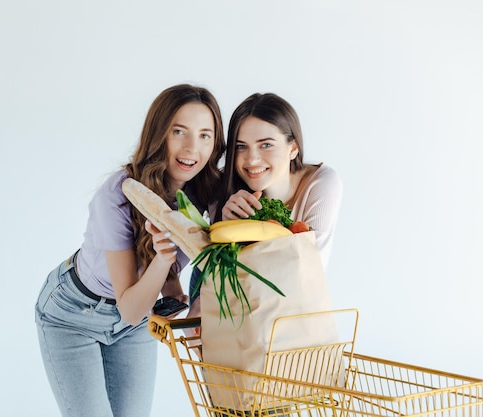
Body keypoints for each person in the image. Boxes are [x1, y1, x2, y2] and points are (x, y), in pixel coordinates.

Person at [35, 84, 225, 417]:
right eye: (178, 131)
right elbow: (131, 308)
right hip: (74, 314)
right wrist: (164, 256)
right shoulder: (118, 196)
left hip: (133, 321)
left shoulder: (205, 192)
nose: (192, 148)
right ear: (159, 134)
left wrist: (176, 291)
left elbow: (154, 294)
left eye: (205, 135)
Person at [188, 92, 343, 316]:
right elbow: (216, 276)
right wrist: (228, 227)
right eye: (241, 147)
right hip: (228, 298)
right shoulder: (224, 189)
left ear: (293, 148)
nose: (251, 159)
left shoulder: (321, 182)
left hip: (282, 305)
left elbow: (310, 270)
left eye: (266, 145)